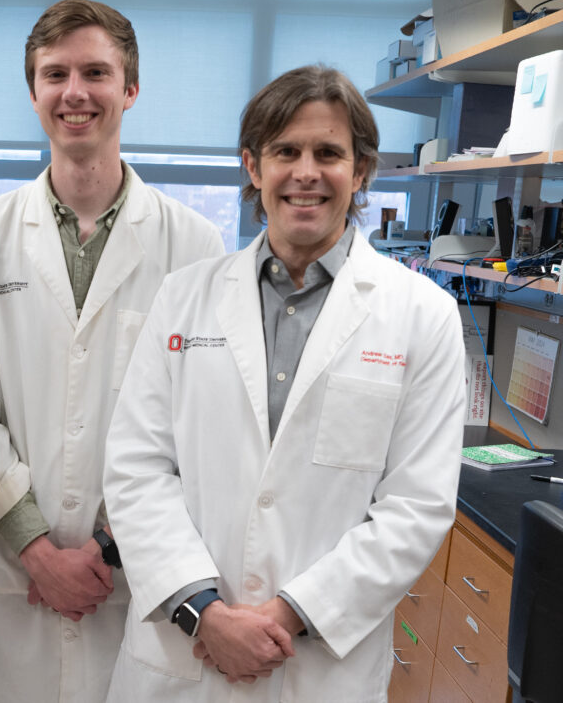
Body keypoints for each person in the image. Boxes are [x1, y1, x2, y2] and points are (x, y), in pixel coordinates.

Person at [102, 65, 465, 702]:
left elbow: (416, 507)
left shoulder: (422, 314)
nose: (306, 172)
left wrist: (290, 612)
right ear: (252, 167)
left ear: (361, 172)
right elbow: (137, 468)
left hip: (318, 664)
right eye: (284, 152)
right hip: (183, 656)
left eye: (328, 153)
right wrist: (204, 613)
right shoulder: (184, 298)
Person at [0, 0, 224, 703]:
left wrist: (102, 550)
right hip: (13, 584)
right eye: (55, 74)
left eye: (96, 72)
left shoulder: (194, 247)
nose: (76, 92)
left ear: (130, 89)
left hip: (133, 581)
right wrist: (38, 550)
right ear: (33, 91)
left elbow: (194, 420)